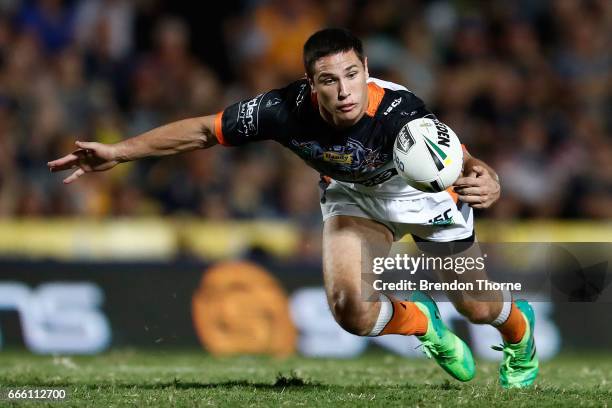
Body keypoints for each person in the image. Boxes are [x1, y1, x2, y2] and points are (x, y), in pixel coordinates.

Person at [48, 28, 538, 388]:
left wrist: (484, 174)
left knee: (477, 307)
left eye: (352, 74)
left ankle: (520, 337)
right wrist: (118, 152)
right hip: (354, 198)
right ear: (310, 83)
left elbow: (454, 154)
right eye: (330, 79)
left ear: (366, 70)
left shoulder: (398, 111)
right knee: (352, 311)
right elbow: (202, 131)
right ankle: (422, 322)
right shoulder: (282, 110)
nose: (344, 90)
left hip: (424, 198)